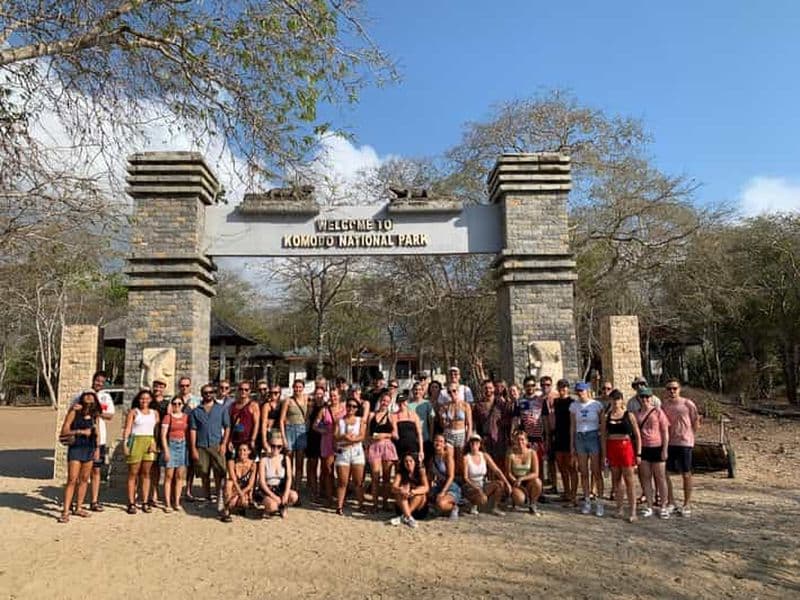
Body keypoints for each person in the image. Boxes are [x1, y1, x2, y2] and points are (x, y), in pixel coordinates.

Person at [70, 370, 114, 513]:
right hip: (80, 438)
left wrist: (95, 412)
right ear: (93, 380)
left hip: (98, 438)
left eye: (102, 382)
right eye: (97, 381)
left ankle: (94, 500)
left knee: (96, 470)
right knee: (76, 473)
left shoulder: (105, 397)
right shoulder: (82, 395)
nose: (99, 384)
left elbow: (110, 415)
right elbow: (73, 410)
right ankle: (74, 501)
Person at [58, 390, 100, 522]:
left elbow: (97, 433)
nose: (89, 397)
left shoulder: (94, 415)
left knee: (84, 479)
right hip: (76, 446)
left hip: (89, 447)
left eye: (91, 396)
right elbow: (64, 430)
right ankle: (65, 511)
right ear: (81, 398)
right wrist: (80, 431)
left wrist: (97, 448)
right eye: (86, 395)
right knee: (72, 479)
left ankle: (79, 507)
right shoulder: (74, 412)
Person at [601, 389, 642, 522]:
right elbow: (603, 436)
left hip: (626, 447)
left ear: (622, 400)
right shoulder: (606, 416)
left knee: (629, 480)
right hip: (612, 447)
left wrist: (639, 453)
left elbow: (637, 435)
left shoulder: (628, 415)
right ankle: (619, 508)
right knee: (616, 480)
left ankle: (633, 511)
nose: (615, 401)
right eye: (613, 399)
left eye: (618, 399)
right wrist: (604, 455)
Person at [662, 379, 700, 517]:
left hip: (685, 443)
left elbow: (696, 421)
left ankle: (686, 503)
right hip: (670, 442)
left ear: (679, 389)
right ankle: (671, 502)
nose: (672, 391)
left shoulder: (687, 404)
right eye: (669, 388)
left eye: (674, 388)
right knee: (665, 473)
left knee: (686, 473)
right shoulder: (664, 405)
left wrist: (690, 436)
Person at [190, 384, 230, 510]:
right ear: (202, 394)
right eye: (205, 392)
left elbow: (227, 427)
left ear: (214, 393)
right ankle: (207, 498)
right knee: (204, 474)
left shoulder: (221, 409)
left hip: (217, 445)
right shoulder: (196, 411)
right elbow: (193, 430)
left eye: (211, 392)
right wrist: (193, 448)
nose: (208, 394)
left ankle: (219, 498)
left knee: (219, 473)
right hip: (201, 446)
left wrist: (224, 444)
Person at [570, 381, 605, 516]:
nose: (580, 393)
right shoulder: (574, 406)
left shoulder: (596, 405)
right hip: (580, 436)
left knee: (596, 471)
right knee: (583, 472)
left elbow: (602, 425)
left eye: (582, 391)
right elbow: (572, 426)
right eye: (578, 391)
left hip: (593, 436)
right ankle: (587, 500)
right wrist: (572, 444)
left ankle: (599, 501)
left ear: (588, 391)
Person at [122, 389, 160, 514]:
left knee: (146, 473)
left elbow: (156, 430)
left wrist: (154, 443)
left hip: (149, 442)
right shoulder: (134, 412)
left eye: (147, 398)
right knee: (133, 473)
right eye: (142, 398)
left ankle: (144, 501)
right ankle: (131, 502)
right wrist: (125, 444)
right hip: (136, 441)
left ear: (151, 400)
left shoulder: (154, 413)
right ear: (138, 400)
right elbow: (128, 428)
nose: (144, 401)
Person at [635, 387, 671, 518]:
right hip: (644, 448)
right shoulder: (637, 413)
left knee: (660, 478)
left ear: (651, 398)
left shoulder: (658, 412)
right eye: (642, 397)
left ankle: (663, 506)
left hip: (657, 446)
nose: (645, 400)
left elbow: (665, 431)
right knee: (646, 478)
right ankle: (649, 505)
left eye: (647, 397)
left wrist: (665, 449)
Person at [543, 379, 577, 506]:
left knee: (571, 467)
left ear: (568, 388)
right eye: (560, 387)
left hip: (569, 436)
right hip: (558, 435)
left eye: (565, 387)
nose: (562, 389)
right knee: (561, 467)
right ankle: (567, 492)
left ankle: (573, 495)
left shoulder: (572, 402)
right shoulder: (556, 402)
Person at [462, 433, 511, 516]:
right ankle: (472, 504)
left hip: (482, 483)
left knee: (499, 484)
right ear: (469, 444)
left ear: (480, 444)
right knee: (481, 498)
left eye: (477, 443)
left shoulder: (484, 456)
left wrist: (507, 483)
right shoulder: (466, 458)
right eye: (472, 443)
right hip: (470, 486)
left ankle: (495, 507)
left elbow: (496, 470)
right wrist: (477, 489)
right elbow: (465, 477)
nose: (474, 445)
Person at [513, 376, 547, 490]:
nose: (530, 388)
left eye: (532, 385)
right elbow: (516, 419)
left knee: (539, 465)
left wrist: (546, 436)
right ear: (524, 387)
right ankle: (526, 488)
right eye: (528, 386)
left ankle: (539, 490)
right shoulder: (520, 401)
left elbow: (545, 418)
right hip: (525, 439)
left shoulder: (541, 401)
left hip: (538, 437)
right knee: (526, 465)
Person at [334, 398, 367, 515]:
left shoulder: (360, 420)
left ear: (357, 409)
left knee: (358, 481)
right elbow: (335, 436)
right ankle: (339, 506)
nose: (351, 408)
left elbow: (363, 436)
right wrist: (344, 437)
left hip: (356, 451)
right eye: (349, 406)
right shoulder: (339, 421)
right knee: (342, 481)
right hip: (343, 452)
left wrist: (352, 439)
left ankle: (361, 504)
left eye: (354, 406)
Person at [367, 393, 398, 512]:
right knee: (375, 477)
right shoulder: (372, 415)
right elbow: (367, 433)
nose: (384, 403)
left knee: (386, 477)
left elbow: (395, 434)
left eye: (387, 401)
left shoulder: (391, 416)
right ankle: (374, 504)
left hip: (387, 446)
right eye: (383, 400)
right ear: (380, 401)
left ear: (389, 403)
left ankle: (384, 503)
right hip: (374, 446)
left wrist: (384, 435)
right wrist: (367, 445)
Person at [257, 431, 298, 518]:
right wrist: (274, 496)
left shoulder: (286, 459)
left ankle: (283, 506)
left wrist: (286, 494)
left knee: (294, 496)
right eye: (273, 446)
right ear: (269, 445)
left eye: (279, 446)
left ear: (282, 447)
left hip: (280, 487)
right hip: (267, 489)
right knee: (272, 506)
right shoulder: (264, 460)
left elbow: (289, 478)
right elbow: (262, 482)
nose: (276, 449)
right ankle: (270, 508)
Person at [280, 379, 310, 495]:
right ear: (293, 388)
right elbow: (282, 420)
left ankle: (297, 487)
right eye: (296, 387)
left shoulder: (306, 398)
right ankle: (289, 485)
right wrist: (283, 438)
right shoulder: (288, 401)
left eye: (300, 387)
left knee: (300, 462)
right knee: (288, 461)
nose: (298, 389)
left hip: (301, 430)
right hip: (290, 430)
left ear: (303, 388)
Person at [160, 394, 189, 512]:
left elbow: (188, 432)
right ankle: (167, 503)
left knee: (179, 476)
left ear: (182, 405)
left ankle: (176, 501)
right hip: (171, 445)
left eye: (179, 404)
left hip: (182, 446)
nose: (177, 406)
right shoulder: (168, 417)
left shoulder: (186, 417)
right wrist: (166, 450)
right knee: (169, 476)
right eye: (174, 404)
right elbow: (163, 435)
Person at [472, 379, 512, 467]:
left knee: (501, 464)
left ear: (494, 388)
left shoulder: (501, 403)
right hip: (486, 439)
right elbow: (476, 424)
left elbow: (509, 420)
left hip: (500, 438)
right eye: (485, 388)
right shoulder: (478, 406)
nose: (488, 390)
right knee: (488, 464)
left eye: (490, 388)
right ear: (482, 389)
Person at [173, 376, 199, 502]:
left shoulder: (196, 400)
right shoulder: (175, 399)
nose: (184, 388)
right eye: (182, 385)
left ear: (190, 386)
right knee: (175, 465)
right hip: (176, 437)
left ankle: (188, 490)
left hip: (190, 437)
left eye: (187, 385)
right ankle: (175, 491)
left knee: (190, 466)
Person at [506, 429, 543, 515]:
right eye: (518, 439)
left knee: (538, 482)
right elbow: (508, 473)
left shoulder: (532, 453)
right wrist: (515, 481)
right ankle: (515, 499)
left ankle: (533, 504)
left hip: (527, 480)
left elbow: (536, 473)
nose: (520, 442)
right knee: (520, 500)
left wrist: (522, 479)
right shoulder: (510, 454)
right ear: (514, 441)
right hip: (515, 481)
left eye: (522, 439)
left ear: (526, 441)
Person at [390, 452, 430, 528]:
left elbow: (426, 487)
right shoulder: (400, 473)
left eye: (411, 461)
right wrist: (400, 489)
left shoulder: (420, 471)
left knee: (420, 493)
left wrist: (413, 491)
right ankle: (408, 517)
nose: (408, 463)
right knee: (399, 492)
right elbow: (393, 487)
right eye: (406, 461)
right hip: (403, 505)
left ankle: (404, 517)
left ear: (415, 462)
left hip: (418, 508)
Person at [220, 442, 257, 522]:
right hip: (234, 488)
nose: (242, 452)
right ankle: (226, 511)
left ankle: (240, 508)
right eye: (240, 450)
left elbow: (250, 485)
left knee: (245, 502)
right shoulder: (232, 462)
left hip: (244, 490)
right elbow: (234, 480)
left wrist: (239, 495)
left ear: (249, 452)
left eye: (244, 450)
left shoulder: (253, 464)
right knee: (228, 483)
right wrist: (237, 495)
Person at [427, 433, 461, 520]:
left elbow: (451, 476)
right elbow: (430, 477)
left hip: (450, 486)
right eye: (436, 441)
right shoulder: (432, 459)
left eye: (441, 441)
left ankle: (454, 507)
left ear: (444, 444)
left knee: (441, 504)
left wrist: (443, 492)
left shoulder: (447, 457)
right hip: (439, 485)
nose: (438, 443)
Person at [306, 386, 327, 502]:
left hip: (324, 438)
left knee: (324, 467)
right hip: (312, 438)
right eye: (317, 394)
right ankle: (314, 492)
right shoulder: (311, 406)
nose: (319, 396)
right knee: (313, 465)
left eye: (321, 394)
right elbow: (307, 421)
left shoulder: (326, 407)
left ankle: (323, 489)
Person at [228, 381, 260, 457]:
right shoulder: (233, 406)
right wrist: (229, 440)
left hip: (247, 440)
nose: (243, 391)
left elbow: (256, 424)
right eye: (241, 389)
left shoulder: (253, 405)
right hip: (235, 440)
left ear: (249, 391)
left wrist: (253, 439)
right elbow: (230, 425)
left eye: (246, 389)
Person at [540, 375, 559, 495]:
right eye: (543, 385)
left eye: (547, 384)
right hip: (544, 432)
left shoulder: (556, 398)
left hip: (556, 431)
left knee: (558, 460)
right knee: (550, 459)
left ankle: (557, 484)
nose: (545, 387)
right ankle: (553, 484)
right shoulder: (541, 399)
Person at [392, 394, 422, 463]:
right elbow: (395, 431)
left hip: (413, 447)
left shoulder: (414, 415)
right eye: (400, 402)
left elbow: (419, 434)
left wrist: (421, 450)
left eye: (403, 401)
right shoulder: (394, 415)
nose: (402, 404)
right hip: (400, 447)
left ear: (407, 402)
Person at [407, 382, 434, 462]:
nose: (417, 392)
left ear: (423, 391)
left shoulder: (427, 404)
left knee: (427, 461)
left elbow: (431, 421)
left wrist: (431, 436)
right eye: (415, 390)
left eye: (419, 390)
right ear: (412, 391)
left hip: (425, 437)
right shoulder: (408, 405)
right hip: (413, 438)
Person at [260, 384, 283, 451]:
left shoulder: (282, 404)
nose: (273, 394)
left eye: (276, 393)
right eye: (271, 393)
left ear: (280, 393)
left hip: (280, 433)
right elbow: (264, 423)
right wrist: (264, 441)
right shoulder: (267, 405)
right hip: (270, 433)